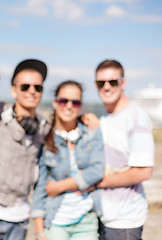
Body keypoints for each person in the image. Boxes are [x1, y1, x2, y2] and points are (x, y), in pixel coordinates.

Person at [0, 59, 51, 240]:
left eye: (38, 87)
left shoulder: (44, 127)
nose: (32, 91)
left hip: (20, 219)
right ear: (13, 90)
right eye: (25, 86)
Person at [86, 59, 154, 240]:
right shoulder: (107, 117)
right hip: (105, 215)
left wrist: (97, 182)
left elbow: (143, 171)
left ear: (123, 83)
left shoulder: (136, 118)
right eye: (101, 83)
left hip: (125, 220)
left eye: (113, 82)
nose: (107, 87)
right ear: (95, 85)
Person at [31, 80, 105, 240]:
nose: (69, 106)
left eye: (75, 102)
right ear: (55, 102)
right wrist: (39, 231)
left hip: (87, 218)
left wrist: (60, 186)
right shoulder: (45, 138)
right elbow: (40, 187)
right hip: (56, 219)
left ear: (81, 105)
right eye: (64, 100)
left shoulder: (91, 132)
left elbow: (97, 170)